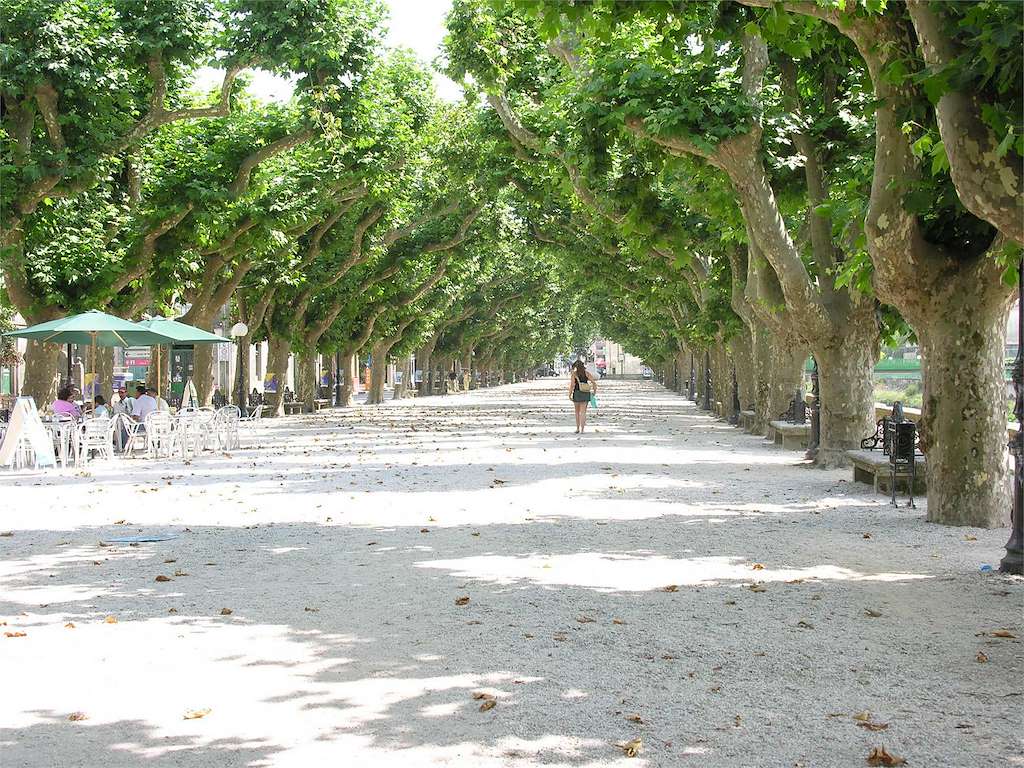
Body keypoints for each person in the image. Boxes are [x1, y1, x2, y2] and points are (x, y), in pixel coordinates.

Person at [568, 360, 597, 434]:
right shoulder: (587, 373)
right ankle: (582, 430)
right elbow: (594, 383)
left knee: (577, 412)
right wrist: (594, 392)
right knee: (583, 412)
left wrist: (570, 394)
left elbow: (572, 385)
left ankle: (577, 428)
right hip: (585, 393)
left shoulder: (574, 374)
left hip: (577, 393)